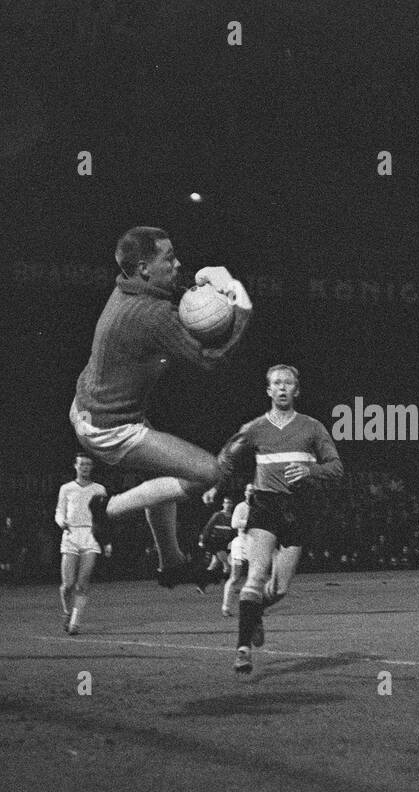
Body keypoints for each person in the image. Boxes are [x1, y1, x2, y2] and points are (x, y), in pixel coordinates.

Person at [73, 226, 252, 592]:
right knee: (207, 472)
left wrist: (198, 283)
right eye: (169, 258)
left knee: (164, 477)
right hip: (110, 428)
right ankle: (106, 511)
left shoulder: (126, 286)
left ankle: (171, 563)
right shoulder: (152, 316)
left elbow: (167, 297)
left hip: (88, 408)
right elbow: (210, 359)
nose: (178, 263)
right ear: (143, 267)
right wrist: (241, 308)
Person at [205, 365, 343, 676]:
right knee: (254, 578)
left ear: (297, 390)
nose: (282, 388)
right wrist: (214, 484)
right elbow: (226, 457)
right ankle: (242, 650)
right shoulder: (254, 428)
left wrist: (312, 470)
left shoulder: (312, 428)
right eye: (276, 383)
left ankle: (254, 615)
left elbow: (336, 467)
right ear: (268, 391)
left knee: (279, 589)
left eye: (288, 383)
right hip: (265, 506)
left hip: (298, 509)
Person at [56, 454, 112, 636]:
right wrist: (61, 521)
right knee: (68, 584)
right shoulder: (66, 488)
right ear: (75, 466)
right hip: (71, 535)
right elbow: (59, 511)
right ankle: (67, 612)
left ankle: (75, 622)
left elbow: (104, 518)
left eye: (88, 464)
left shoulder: (99, 489)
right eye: (82, 464)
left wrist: (107, 541)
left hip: (90, 536)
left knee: (82, 583)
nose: (85, 467)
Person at [222, 485, 254, 617]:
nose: (251, 494)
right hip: (240, 544)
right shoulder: (241, 507)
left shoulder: (260, 507)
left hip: (255, 544)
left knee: (256, 577)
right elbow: (234, 523)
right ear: (245, 492)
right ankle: (226, 607)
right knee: (235, 576)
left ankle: (254, 608)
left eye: (254, 491)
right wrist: (251, 522)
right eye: (249, 491)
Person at [199, 496, 236, 583]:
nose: (228, 505)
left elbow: (233, 531)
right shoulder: (218, 515)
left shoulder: (233, 517)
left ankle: (201, 584)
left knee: (214, 564)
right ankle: (230, 586)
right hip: (215, 542)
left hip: (224, 542)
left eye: (230, 503)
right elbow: (207, 528)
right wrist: (202, 540)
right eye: (226, 503)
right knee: (227, 565)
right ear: (223, 504)